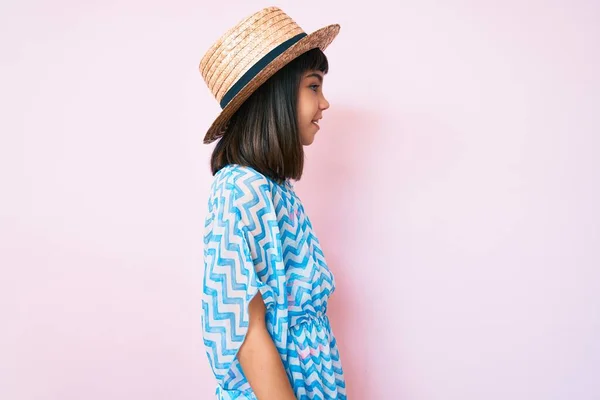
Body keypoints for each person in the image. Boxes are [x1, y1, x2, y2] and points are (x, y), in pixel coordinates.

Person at [198, 6, 345, 399]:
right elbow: (245, 329)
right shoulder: (239, 188)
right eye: (313, 86)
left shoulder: (275, 189)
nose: (325, 102)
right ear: (275, 96)